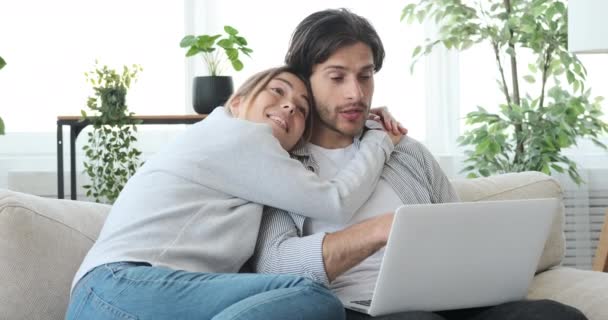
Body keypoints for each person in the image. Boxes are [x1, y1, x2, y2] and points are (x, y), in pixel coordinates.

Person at [252, 9, 588, 320]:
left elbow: (460, 231)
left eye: (365, 76)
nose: (356, 93)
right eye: (337, 78)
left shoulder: (405, 151)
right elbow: (273, 266)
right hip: (353, 308)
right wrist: (380, 230)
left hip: (446, 302)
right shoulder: (282, 162)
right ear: (305, 82)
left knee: (555, 315)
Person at [65, 66, 404, 320]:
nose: (289, 107)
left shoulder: (247, 166)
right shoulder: (239, 136)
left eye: (302, 109)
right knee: (312, 298)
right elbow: (336, 202)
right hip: (121, 288)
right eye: (277, 92)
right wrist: (378, 140)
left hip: (125, 295)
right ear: (238, 102)